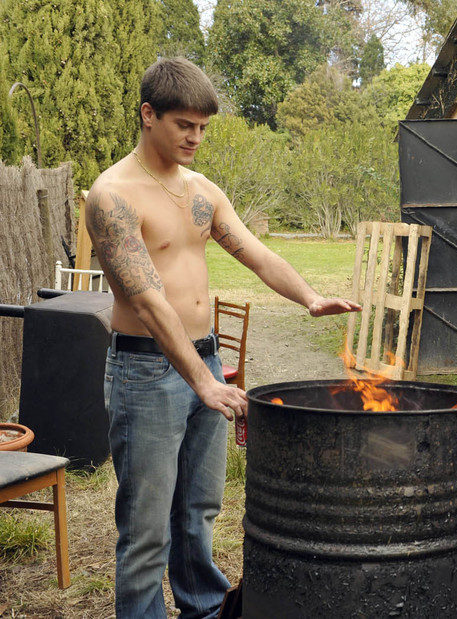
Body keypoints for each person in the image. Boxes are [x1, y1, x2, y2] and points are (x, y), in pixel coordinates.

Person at [86, 57, 361, 618]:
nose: (196, 137)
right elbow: (147, 301)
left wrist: (309, 296)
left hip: (204, 362)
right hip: (146, 372)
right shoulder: (112, 196)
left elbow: (257, 254)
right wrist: (203, 383)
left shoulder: (202, 191)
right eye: (184, 124)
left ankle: (205, 612)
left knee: (198, 513)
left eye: (203, 127)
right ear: (147, 115)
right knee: (145, 531)